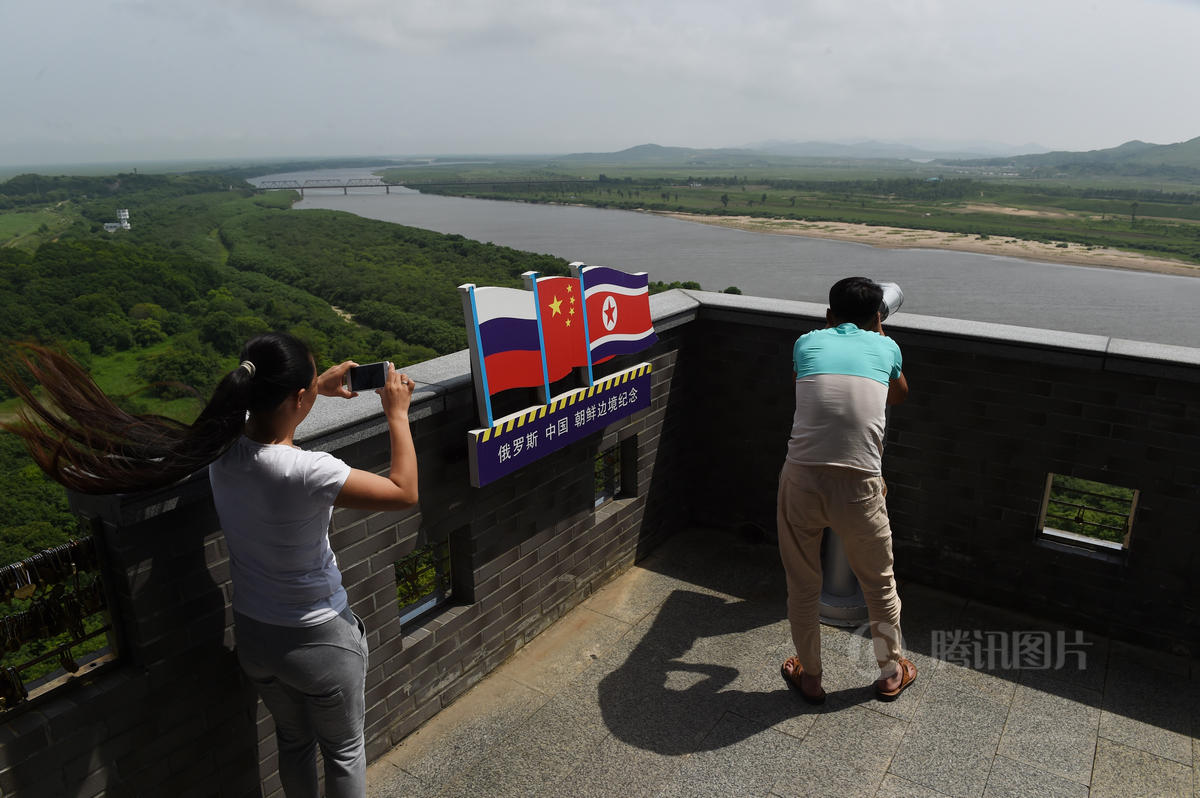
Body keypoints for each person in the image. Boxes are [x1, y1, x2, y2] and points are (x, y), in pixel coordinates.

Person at [2, 332, 418, 798]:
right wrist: (396, 414)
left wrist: (314, 385)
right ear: (296, 399)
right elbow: (404, 492)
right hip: (320, 639)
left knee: (294, 741)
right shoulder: (309, 470)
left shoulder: (223, 447)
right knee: (343, 751)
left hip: (257, 638)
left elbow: (263, 416)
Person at [776, 277, 915, 705]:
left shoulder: (805, 343)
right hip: (860, 483)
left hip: (802, 476)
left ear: (828, 316)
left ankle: (812, 676)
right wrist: (880, 340)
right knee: (879, 582)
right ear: (878, 318)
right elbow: (898, 395)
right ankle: (891, 672)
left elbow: (810, 384)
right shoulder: (887, 347)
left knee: (803, 582)